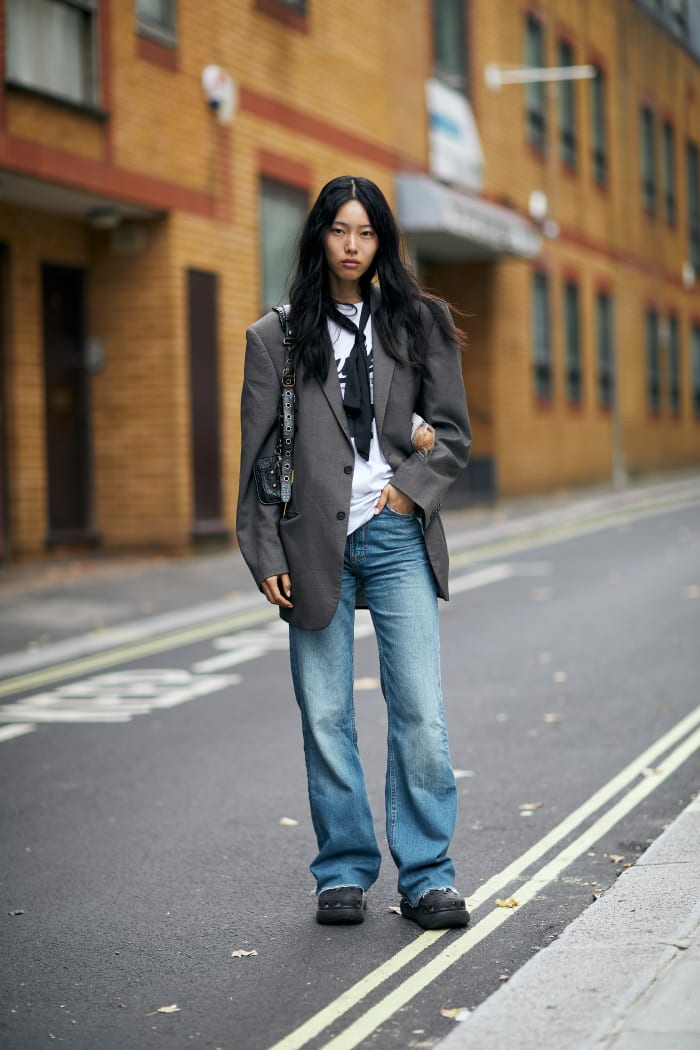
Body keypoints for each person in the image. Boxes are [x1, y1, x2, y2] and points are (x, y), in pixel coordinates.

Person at [236, 175, 472, 930]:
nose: (351, 246)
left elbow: (454, 432)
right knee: (326, 713)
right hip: (311, 539)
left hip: (396, 533)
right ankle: (341, 871)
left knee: (421, 714)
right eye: (338, 231)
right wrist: (263, 546)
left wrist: (409, 488)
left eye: (365, 232)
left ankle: (428, 875)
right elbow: (257, 458)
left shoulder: (419, 322)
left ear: (382, 241)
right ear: (318, 238)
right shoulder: (276, 338)